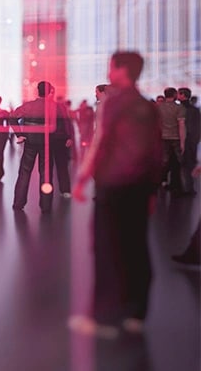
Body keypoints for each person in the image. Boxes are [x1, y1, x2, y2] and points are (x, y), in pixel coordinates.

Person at [71, 51, 163, 336]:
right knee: (136, 247)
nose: (109, 73)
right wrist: (151, 191)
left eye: (111, 68)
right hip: (138, 186)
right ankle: (136, 312)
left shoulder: (113, 103)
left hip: (113, 184)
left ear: (121, 71)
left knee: (106, 248)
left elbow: (101, 142)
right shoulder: (146, 107)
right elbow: (155, 153)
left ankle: (105, 317)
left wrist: (83, 178)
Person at [11, 81, 57, 213]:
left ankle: (18, 203)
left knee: (25, 172)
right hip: (48, 143)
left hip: (30, 142)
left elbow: (12, 118)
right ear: (49, 92)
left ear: (38, 90)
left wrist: (19, 135)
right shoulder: (53, 107)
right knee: (46, 174)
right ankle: (46, 205)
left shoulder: (29, 106)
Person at [157, 87, 186, 194]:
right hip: (176, 138)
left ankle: (162, 181)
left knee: (164, 162)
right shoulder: (179, 108)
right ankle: (176, 185)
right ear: (174, 95)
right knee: (177, 163)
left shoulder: (159, 108)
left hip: (163, 138)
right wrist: (183, 141)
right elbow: (181, 126)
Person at [52, 96, 76, 198]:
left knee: (60, 166)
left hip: (57, 140)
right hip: (58, 140)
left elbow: (69, 125)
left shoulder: (62, 111)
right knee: (61, 166)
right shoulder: (62, 110)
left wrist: (70, 137)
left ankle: (63, 189)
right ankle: (64, 189)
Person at [177, 88, 199, 195]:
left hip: (182, 139)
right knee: (188, 165)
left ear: (183, 95)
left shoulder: (179, 108)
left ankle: (182, 188)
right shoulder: (194, 110)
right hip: (191, 141)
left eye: (179, 93)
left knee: (180, 165)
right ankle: (189, 188)